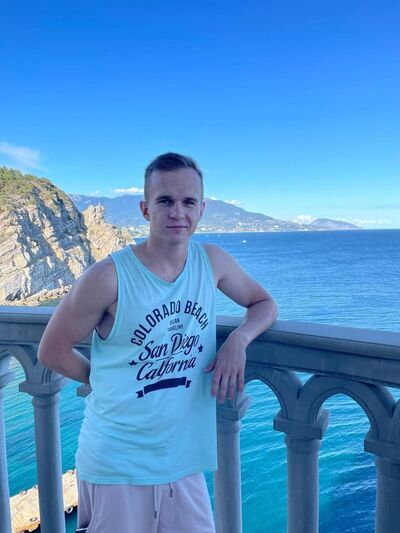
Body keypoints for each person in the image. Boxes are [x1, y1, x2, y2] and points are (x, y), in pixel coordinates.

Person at [38, 152, 278, 533]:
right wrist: (101, 378)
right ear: (145, 209)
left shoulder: (212, 263)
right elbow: (51, 350)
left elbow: (264, 304)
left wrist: (239, 340)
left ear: (202, 210)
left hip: (183, 463)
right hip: (117, 466)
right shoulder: (109, 277)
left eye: (188, 202)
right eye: (165, 200)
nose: (177, 212)